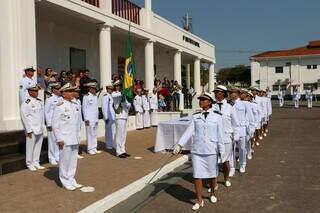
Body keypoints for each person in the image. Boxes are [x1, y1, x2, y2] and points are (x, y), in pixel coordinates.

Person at [173, 92, 225, 210]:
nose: (201, 101)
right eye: (200, 99)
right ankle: (199, 200)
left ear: (210, 102)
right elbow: (189, 131)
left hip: (211, 149)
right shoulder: (196, 116)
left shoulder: (217, 116)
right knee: (197, 175)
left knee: (212, 175)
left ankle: (212, 193)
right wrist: (179, 145)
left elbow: (220, 135)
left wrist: (222, 152)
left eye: (203, 99)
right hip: (197, 150)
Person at [52, 83, 82, 191]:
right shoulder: (59, 106)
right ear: (64, 93)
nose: (72, 93)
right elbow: (55, 124)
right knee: (65, 161)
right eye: (69, 91)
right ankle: (64, 181)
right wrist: (59, 139)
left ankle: (71, 178)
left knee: (73, 161)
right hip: (64, 138)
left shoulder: (75, 105)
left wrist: (79, 136)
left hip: (74, 137)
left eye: (72, 91)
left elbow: (77, 123)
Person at [213, 85, 239, 186]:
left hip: (226, 137)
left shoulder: (230, 107)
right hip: (214, 138)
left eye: (218, 92)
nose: (215, 94)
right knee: (213, 161)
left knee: (225, 160)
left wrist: (235, 136)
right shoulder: (212, 107)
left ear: (223, 93)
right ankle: (213, 183)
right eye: (215, 92)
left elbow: (235, 124)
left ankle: (226, 178)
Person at [20, 83, 45, 171]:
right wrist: (28, 129)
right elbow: (24, 116)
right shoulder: (27, 102)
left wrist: (42, 126)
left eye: (37, 91)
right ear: (30, 92)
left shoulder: (39, 101)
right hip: (31, 129)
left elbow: (41, 115)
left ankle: (36, 162)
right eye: (34, 91)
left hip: (39, 128)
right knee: (30, 147)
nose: (36, 92)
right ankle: (29, 163)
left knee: (38, 146)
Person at [229, 87, 254, 174]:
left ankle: (243, 164)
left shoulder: (244, 104)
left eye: (233, 92)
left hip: (242, 129)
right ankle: (232, 167)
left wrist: (251, 129)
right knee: (231, 150)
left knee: (242, 148)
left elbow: (251, 117)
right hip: (231, 130)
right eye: (230, 92)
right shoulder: (228, 104)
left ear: (238, 94)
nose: (231, 94)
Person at [112, 80, 131, 158]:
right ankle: (118, 152)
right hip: (119, 116)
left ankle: (123, 150)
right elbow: (115, 96)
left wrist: (127, 102)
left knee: (124, 135)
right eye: (117, 86)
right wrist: (123, 93)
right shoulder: (115, 93)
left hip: (125, 116)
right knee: (119, 135)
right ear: (115, 87)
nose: (118, 87)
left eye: (120, 86)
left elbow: (128, 105)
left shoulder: (124, 95)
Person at [44, 82, 62, 165]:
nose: (59, 90)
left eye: (59, 88)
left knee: (58, 140)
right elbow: (46, 112)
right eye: (58, 89)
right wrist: (48, 124)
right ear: (53, 90)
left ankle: (57, 156)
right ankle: (51, 158)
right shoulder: (49, 98)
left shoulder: (61, 98)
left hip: (59, 123)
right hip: (51, 123)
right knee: (52, 141)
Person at [82, 82, 101, 155]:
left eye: (95, 89)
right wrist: (86, 119)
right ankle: (90, 148)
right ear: (90, 89)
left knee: (95, 134)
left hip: (95, 118)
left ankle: (94, 147)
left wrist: (97, 118)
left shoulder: (95, 96)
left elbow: (95, 108)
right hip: (89, 118)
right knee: (90, 134)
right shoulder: (86, 97)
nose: (95, 90)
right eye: (93, 88)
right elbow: (84, 108)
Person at [102, 85, 116, 149]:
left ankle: (112, 143)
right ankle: (108, 144)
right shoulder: (106, 96)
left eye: (112, 89)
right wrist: (106, 117)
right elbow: (104, 107)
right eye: (110, 89)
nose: (111, 90)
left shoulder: (111, 96)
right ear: (107, 89)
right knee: (108, 131)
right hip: (108, 116)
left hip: (112, 115)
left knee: (113, 130)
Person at [72, 87, 84, 159]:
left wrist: (80, 122)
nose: (78, 93)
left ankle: (76, 152)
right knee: (73, 138)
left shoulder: (78, 101)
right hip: (73, 123)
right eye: (76, 92)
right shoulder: (71, 101)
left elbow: (79, 113)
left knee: (78, 138)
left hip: (78, 122)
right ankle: (73, 153)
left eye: (78, 92)